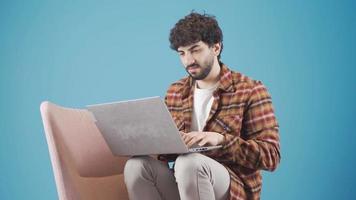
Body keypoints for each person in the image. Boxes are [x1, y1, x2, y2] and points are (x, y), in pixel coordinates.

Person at [124, 12, 280, 200]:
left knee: (190, 163)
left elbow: (270, 156)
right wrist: (150, 143)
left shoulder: (250, 89)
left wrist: (221, 140)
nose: (188, 60)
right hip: (186, 184)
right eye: (182, 53)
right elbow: (168, 155)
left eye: (195, 50)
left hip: (231, 189)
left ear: (216, 47)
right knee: (137, 166)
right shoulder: (175, 91)